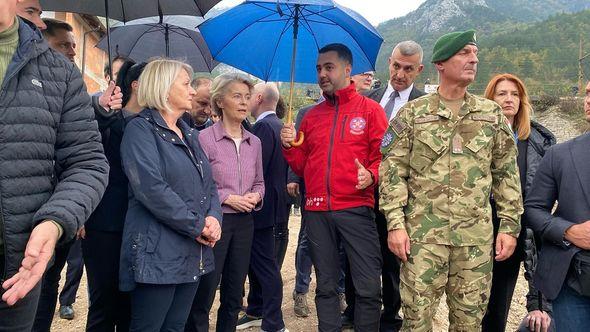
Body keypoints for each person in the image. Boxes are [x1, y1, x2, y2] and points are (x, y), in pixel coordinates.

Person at [379, 30, 523, 332]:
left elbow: (507, 175)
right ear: (441, 63)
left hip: (474, 242)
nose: (474, 59)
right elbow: (392, 173)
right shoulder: (413, 114)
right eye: (465, 53)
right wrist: (395, 225)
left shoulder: (491, 115)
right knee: (416, 322)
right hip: (422, 241)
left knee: (469, 324)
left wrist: (509, 227)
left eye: (475, 53)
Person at [0, 3, 109, 331]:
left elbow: (87, 161)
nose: (72, 52)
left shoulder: (58, 74)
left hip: (18, 264)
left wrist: (55, 220)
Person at [281, 43, 388, 331]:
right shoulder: (312, 116)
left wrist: (373, 175)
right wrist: (290, 146)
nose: (322, 74)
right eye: (318, 68)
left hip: (356, 208)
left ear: (347, 69)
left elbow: (385, 158)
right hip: (316, 211)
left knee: (367, 288)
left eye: (329, 67)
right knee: (326, 287)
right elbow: (302, 166)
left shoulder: (371, 111)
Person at [119, 58, 222, 332]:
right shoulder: (139, 130)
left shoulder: (189, 134)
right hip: (157, 254)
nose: (192, 91)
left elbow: (209, 185)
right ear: (164, 88)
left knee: (176, 327)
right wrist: (197, 225)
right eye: (186, 84)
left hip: (191, 251)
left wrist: (214, 217)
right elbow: (151, 189)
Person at [343, 40, 426, 332]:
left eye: (408, 69)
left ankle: (390, 317)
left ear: (419, 70)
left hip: (402, 200)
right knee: (357, 256)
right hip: (363, 193)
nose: (400, 74)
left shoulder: (423, 106)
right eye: (395, 66)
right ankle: (353, 311)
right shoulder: (369, 99)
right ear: (388, 63)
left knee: (393, 262)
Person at [187, 73, 265, 332]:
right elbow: (196, 185)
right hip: (214, 223)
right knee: (204, 292)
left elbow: (260, 184)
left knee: (234, 293)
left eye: (247, 97)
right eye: (236, 96)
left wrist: (256, 196)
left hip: (245, 224)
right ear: (219, 101)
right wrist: (228, 197)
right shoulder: (204, 139)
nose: (244, 102)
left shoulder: (255, 143)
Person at [481, 73, 556, 332]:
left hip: (515, 224)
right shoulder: (476, 134)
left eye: (514, 94)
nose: (508, 99)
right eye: (501, 94)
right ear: (490, 98)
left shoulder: (537, 140)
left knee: (500, 296)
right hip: (479, 222)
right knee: (472, 297)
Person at [82, 59, 146, 332]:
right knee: (104, 303)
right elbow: (82, 165)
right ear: (136, 85)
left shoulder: (155, 125)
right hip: (105, 225)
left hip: (139, 226)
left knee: (131, 305)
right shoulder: (108, 120)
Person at [31, 18, 86, 330]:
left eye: (74, 46)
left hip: (58, 214)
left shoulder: (70, 93)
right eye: (64, 44)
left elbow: (82, 157)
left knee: (48, 284)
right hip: (23, 212)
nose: (72, 53)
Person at [524, 80, 590, 331]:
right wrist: (569, 231)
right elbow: (533, 209)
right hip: (573, 285)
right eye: (587, 93)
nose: (588, 100)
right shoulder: (560, 154)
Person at [236, 83, 288, 332]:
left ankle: (274, 322)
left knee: (265, 265)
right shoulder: (279, 126)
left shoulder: (264, 128)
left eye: (248, 96)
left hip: (261, 206)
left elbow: (254, 168)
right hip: (274, 205)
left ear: (257, 98)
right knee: (257, 263)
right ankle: (256, 309)